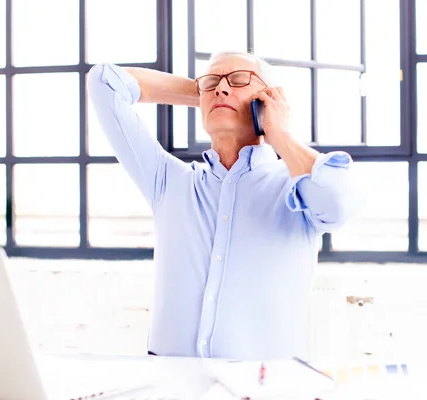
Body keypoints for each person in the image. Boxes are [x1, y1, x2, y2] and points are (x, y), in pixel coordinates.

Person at [87, 51, 364, 361]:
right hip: (171, 385)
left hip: (266, 389)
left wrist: (278, 133)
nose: (221, 88)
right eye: (212, 82)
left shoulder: (294, 187)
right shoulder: (169, 181)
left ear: (268, 100)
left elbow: (339, 203)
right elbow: (104, 82)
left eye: (239, 79)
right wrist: (208, 96)